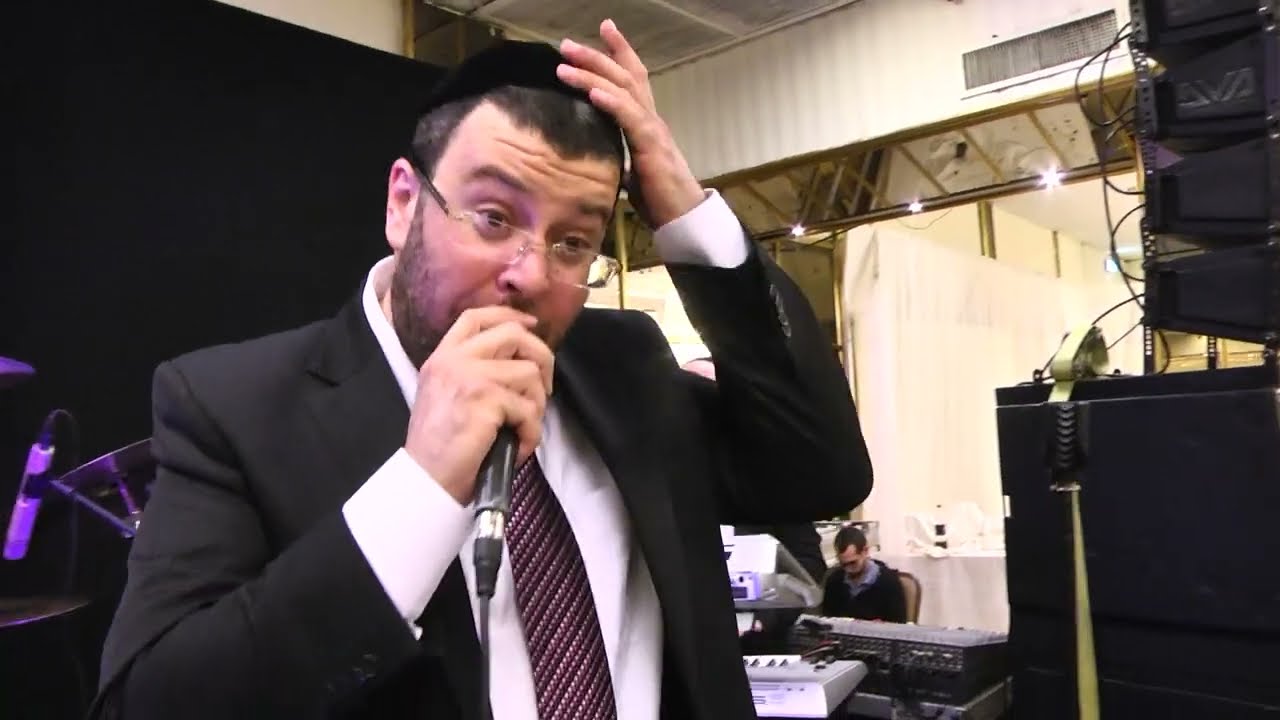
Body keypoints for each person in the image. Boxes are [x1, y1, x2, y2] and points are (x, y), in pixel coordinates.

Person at [93, 23, 872, 720]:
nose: (530, 273)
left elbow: (820, 469)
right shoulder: (235, 406)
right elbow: (152, 701)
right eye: (494, 219)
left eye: (572, 242)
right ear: (404, 204)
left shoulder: (622, 364)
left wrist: (685, 210)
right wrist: (421, 484)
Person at [822, 525, 907, 623]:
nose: (848, 570)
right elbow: (827, 622)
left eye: (853, 563)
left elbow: (899, 625)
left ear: (865, 551)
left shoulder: (889, 582)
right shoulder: (834, 581)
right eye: (843, 564)